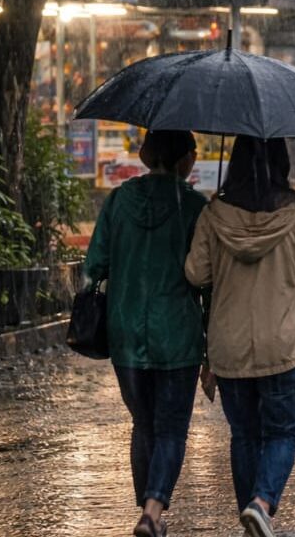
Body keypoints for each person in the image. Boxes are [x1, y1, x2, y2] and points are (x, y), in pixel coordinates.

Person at [184, 138, 295, 537]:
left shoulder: (213, 213)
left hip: (230, 346)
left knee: (244, 436)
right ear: (283, 163)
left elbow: (195, 273)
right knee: (283, 433)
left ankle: (252, 518)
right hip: (287, 346)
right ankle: (261, 503)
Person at [84, 130, 207, 537]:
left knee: (144, 424)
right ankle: (153, 512)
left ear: (144, 154)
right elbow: (206, 277)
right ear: (186, 160)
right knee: (171, 427)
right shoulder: (194, 207)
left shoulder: (119, 200)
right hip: (178, 336)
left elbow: (96, 264)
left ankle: (148, 510)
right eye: (193, 152)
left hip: (125, 332)